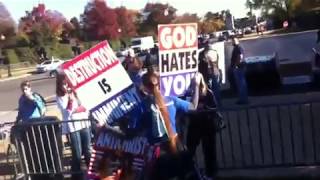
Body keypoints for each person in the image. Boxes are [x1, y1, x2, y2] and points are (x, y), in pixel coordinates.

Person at [140, 71, 203, 179]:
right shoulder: (172, 100)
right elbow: (193, 106)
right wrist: (196, 85)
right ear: (159, 84)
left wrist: (107, 128)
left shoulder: (141, 106)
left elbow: (131, 132)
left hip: (157, 154)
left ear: (145, 88)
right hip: (177, 148)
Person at [55, 73, 91, 180]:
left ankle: (92, 173)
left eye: (67, 84)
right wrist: (71, 102)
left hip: (83, 123)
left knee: (88, 150)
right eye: (63, 84)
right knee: (77, 153)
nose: (66, 86)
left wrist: (76, 107)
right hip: (73, 126)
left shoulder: (76, 92)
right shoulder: (60, 96)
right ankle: (76, 175)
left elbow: (86, 106)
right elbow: (67, 113)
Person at [186, 77, 219, 180]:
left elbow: (215, 107)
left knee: (209, 151)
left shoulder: (208, 92)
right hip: (194, 125)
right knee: (189, 151)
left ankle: (210, 173)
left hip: (207, 125)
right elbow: (187, 108)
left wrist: (204, 107)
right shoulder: (188, 93)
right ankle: (190, 172)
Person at [230, 37, 249, 104]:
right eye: (232, 41)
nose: (233, 42)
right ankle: (243, 99)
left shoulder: (238, 48)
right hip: (240, 67)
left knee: (241, 84)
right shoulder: (236, 48)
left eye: (234, 40)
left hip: (239, 68)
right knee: (241, 84)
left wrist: (235, 65)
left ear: (238, 41)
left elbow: (240, 57)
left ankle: (243, 100)